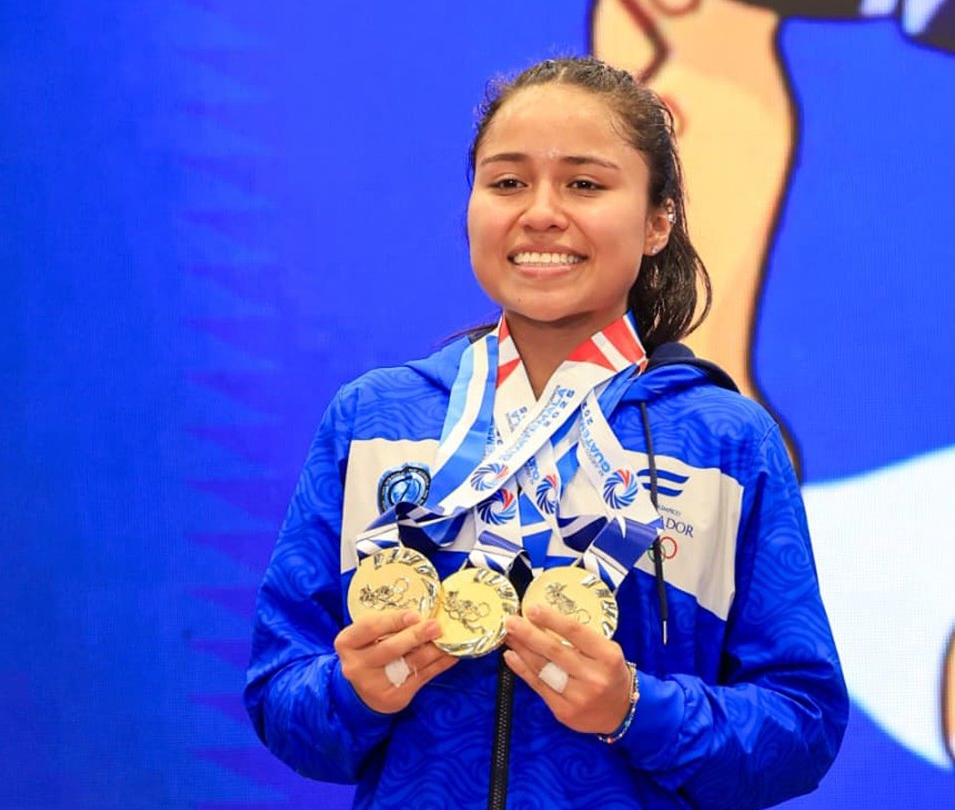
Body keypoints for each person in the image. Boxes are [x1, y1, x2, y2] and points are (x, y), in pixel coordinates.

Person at [244, 56, 848, 809]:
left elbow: (802, 725)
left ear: (657, 221)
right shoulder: (373, 420)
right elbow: (278, 692)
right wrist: (352, 692)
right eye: (507, 182)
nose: (539, 213)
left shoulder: (727, 443)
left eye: (584, 184)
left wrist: (636, 709)